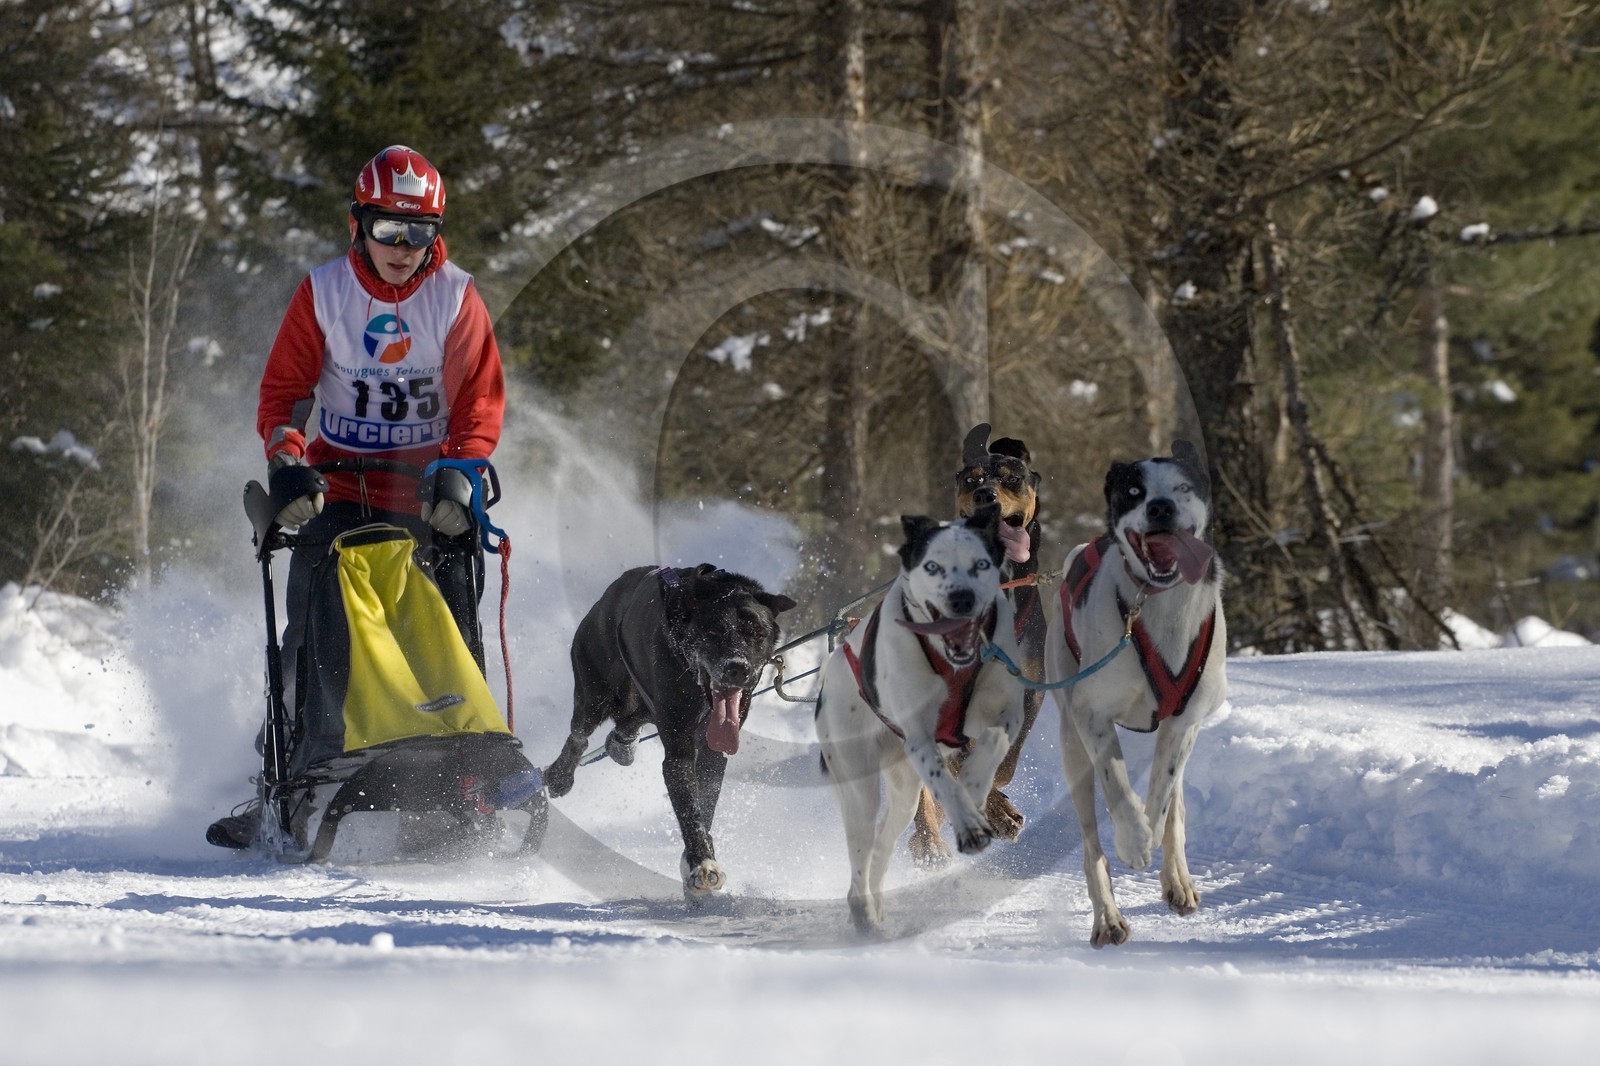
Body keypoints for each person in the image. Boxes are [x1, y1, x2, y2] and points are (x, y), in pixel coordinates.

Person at [208, 145, 506, 849]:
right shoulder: (323, 293)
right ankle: (280, 782)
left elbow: (478, 404)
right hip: (338, 489)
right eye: (388, 231)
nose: (403, 250)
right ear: (358, 225)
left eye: (419, 234)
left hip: (426, 493)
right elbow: (285, 395)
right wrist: (287, 464)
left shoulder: (456, 296)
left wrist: (462, 472)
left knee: (443, 628)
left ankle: (464, 788)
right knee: (310, 637)